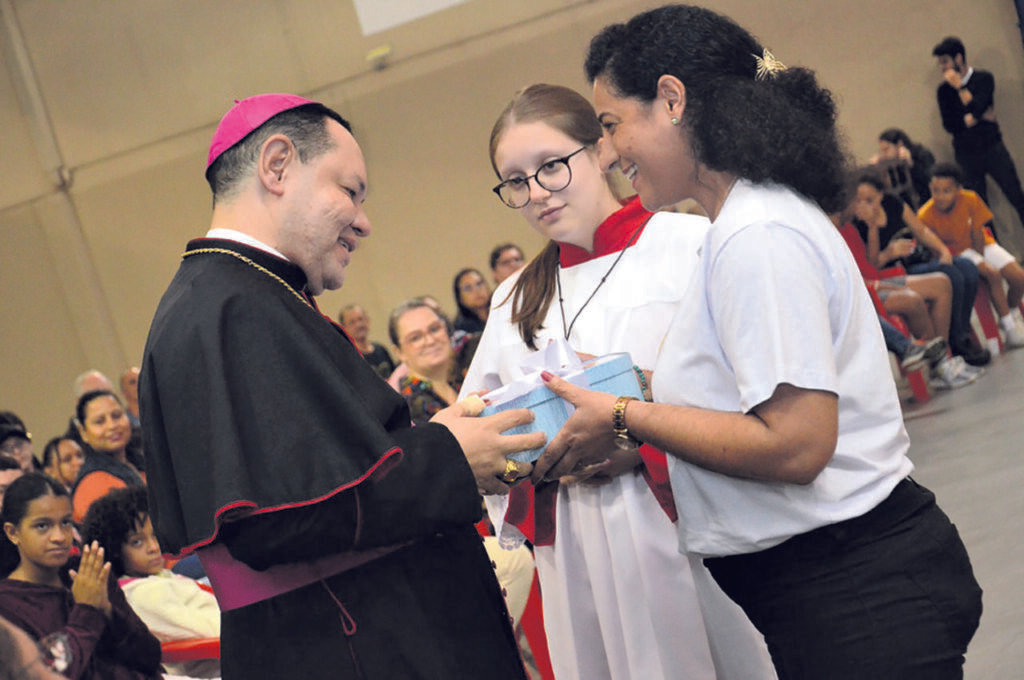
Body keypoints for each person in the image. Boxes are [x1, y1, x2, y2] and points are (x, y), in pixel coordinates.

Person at [528, 6, 982, 678]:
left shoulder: (755, 234)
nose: (609, 151)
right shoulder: (746, 222)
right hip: (840, 586)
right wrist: (646, 388)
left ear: (672, 100)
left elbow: (796, 443)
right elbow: (752, 395)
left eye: (611, 124)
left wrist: (626, 415)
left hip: (855, 590)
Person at [140, 93, 545, 679]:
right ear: (277, 166)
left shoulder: (246, 295)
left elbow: (327, 473)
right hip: (348, 643)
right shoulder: (228, 308)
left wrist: (437, 440)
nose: (364, 220)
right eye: (350, 191)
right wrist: (452, 455)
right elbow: (283, 517)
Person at [464, 82, 773, 680]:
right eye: (516, 181)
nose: (537, 193)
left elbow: (754, 396)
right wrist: (528, 458)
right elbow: (485, 438)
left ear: (602, 148)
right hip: (579, 552)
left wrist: (639, 432)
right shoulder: (511, 301)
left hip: (688, 531)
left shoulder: (691, 245)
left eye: (552, 167)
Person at [0, 473, 162, 679]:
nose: (59, 537)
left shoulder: (88, 572)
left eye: (66, 523)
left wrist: (108, 610)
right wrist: (87, 610)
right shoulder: (7, 605)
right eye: (42, 526)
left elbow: (150, 657)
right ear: (13, 533)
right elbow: (51, 673)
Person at [852, 171, 990, 366]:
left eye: (869, 199)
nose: (863, 205)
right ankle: (953, 345)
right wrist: (889, 253)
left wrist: (943, 250)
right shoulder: (859, 223)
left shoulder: (893, 203)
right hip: (895, 270)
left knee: (967, 268)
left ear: (881, 195)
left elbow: (921, 230)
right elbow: (871, 266)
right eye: (858, 200)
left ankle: (960, 333)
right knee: (950, 276)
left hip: (916, 258)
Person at [82, 486, 220, 678]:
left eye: (155, 535)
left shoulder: (157, 577)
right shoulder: (140, 593)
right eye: (137, 542)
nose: (153, 548)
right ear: (114, 549)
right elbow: (210, 630)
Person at [918, 162, 1024, 347]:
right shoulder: (925, 215)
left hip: (981, 244)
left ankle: (1011, 310)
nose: (940, 196)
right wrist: (981, 264)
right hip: (956, 253)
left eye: (946, 191)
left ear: (958, 189)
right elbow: (936, 248)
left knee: (1019, 277)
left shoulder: (971, 199)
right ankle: (1009, 329)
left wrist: (981, 255)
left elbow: (977, 232)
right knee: (992, 273)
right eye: (935, 190)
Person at [933, 36, 1024, 240]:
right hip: (966, 155)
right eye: (940, 63)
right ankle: (1000, 260)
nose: (942, 67)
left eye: (945, 61)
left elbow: (979, 107)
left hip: (992, 148)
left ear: (958, 58)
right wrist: (975, 116)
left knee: (1016, 195)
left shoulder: (983, 79)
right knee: (981, 210)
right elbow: (950, 125)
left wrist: (961, 89)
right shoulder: (943, 92)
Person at [71, 391, 144, 523]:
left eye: (117, 416)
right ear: (83, 432)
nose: (112, 426)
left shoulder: (141, 461)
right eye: (100, 421)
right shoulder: (93, 483)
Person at [871, 128, 936, 208]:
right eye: (881, 151)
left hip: (929, 200)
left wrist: (911, 164)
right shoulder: (892, 164)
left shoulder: (922, 154)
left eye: (886, 149)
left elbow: (930, 180)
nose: (884, 154)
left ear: (899, 145)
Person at [337, 303, 397, 380]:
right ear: (344, 328)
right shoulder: (349, 359)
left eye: (360, 319)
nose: (359, 325)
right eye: (352, 322)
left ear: (368, 320)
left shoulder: (381, 349)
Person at [452, 267, 492, 334]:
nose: (477, 290)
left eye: (479, 284)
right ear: (460, 298)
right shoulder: (461, 330)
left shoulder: (504, 312)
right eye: (468, 288)